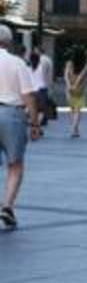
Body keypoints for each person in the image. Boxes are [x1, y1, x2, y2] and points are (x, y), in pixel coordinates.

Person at [0, 26, 40, 230]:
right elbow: (28, 95)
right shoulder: (17, 63)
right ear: (8, 42)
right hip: (11, 114)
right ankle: (7, 206)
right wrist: (34, 123)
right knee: (15, 164)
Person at [64, 49, 87, 138]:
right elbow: (81, 76)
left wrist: (69, 85)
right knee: (78, 110)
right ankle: (75, 129)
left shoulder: (69, 63)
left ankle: (74, 128)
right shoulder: (85, 65)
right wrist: (75, 85)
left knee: (71, 109)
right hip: (79, 89)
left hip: (69, 88)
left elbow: (66, 75)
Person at [29, 47, 53, 129]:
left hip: (32, 90)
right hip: (42, 90)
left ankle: (35, 125)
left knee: (34, 110)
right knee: (41, 110)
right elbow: (48, 77)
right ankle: (37, 126)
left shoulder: (28, 67)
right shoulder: (47, 61)